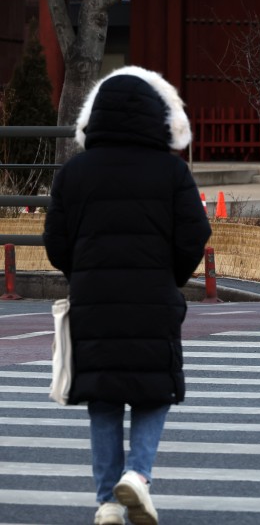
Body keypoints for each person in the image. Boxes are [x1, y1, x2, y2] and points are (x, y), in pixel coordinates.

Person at [43, 66, 211, 525]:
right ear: (154, 119)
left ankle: (107, 504)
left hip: (93, 300)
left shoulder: (74, 173)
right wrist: (171, 275)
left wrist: (82, 273)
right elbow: (195, 233)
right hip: (153, 296)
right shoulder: (171, 172)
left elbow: (55, 241)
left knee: (103, 398)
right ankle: (137, 474)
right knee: (153, 392)